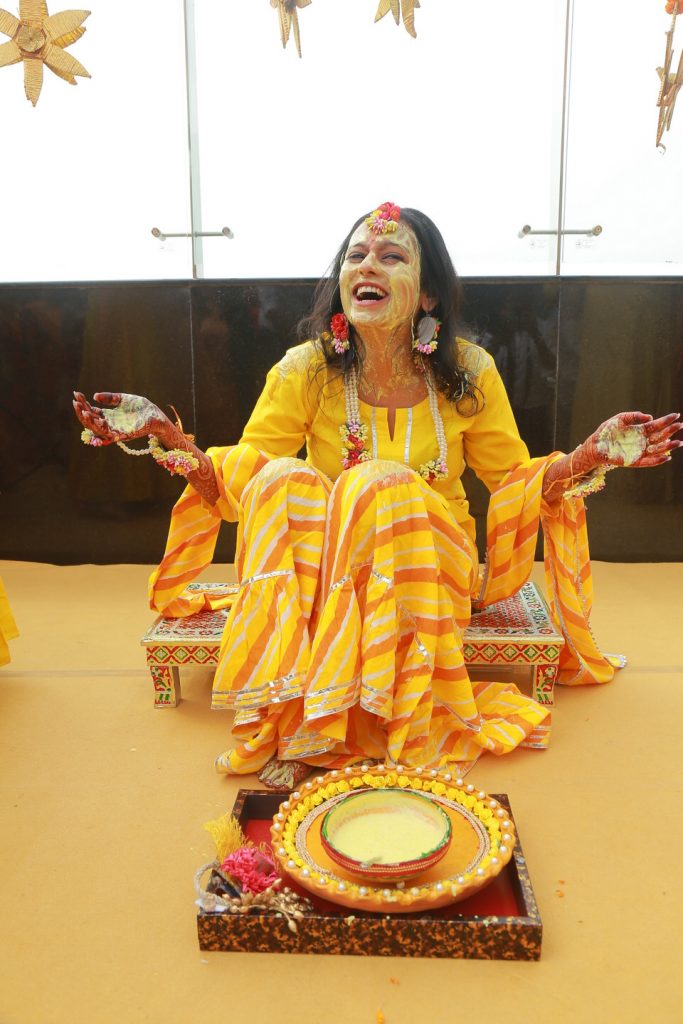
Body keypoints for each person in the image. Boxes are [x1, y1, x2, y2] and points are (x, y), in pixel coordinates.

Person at [73, 203, 682, 791]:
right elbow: (242, 485)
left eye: (391, 256)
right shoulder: (304, 370)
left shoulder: (469, 370)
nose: (367, 266)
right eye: (356, 255)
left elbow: (514, 483)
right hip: (329, 571)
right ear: (342, 283)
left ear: (427, 295)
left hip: (430, 567)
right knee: (283, 480)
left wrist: (589, 457)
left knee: (373, 481)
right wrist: (164, 434)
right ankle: (294, 714)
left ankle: (358, 718)